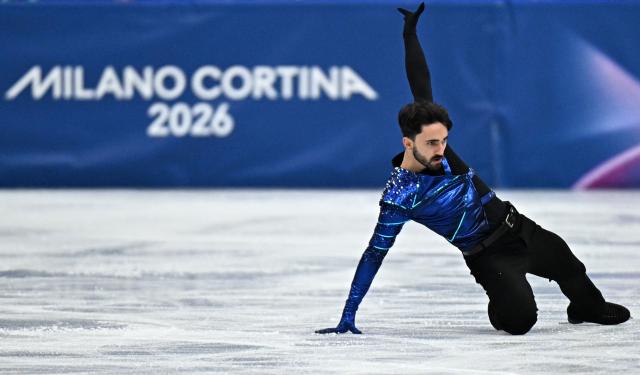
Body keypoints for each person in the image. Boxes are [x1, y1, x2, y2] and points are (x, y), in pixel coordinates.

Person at [315, 2, 630, 336]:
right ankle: (505, 301)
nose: (441, 150)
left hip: (516, 226)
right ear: (408, 143)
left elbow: (421, 83)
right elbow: (373, 255)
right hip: (489, 256)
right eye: (432, 144)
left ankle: (585, 307)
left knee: (566, 261)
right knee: (519, 321)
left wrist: (410, 34)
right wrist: (349, 314)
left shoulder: (438, 144)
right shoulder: (399, 197)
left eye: (444, 140)